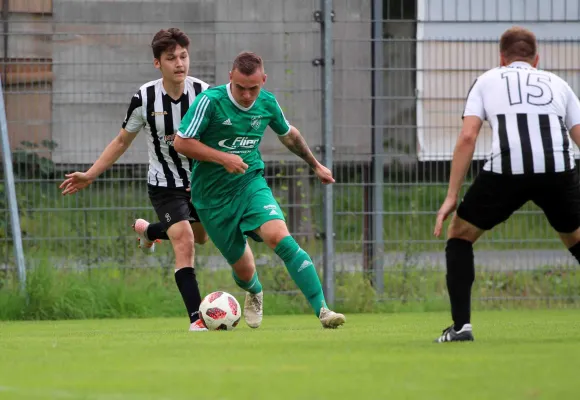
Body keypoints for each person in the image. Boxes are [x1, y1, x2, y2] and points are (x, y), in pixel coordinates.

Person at [173, 51, 346, 329]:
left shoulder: (266, 103)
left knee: (280, 237)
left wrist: (315, 164)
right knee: (243, 270)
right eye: (240, 87)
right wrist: (223, 157)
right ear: (230, 77)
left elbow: (289, 134)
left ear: (263, 80)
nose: (246, 95)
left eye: (253, 88)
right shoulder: (210, 102)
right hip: (211, 199)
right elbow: (181, 143)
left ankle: (323, 310)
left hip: (249, 183)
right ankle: (254, 290)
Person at [433, 26, 580, 342]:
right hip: (557, 168)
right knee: (575, 239)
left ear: (501, 57)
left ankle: (461, 328)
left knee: (459, 234)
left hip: (508, 169)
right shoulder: (559, 84)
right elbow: (578, 136)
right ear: (536, 59)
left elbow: (468, 136)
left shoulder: (487, 80)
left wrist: (451, 196)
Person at [59, 28, 211, 332]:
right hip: (164, 185)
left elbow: (218, 139)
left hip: (200, 182)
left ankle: (149, 232)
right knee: (185, 241)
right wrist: (90, 174)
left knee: (203, 236)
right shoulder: (145, 98)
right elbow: (120, 142)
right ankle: (197, 320)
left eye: (183, 56)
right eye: (171, 58)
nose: (179, 63)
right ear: (158, 63)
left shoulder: (204, 94)